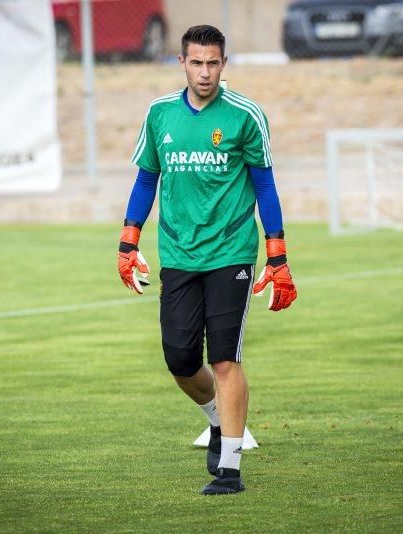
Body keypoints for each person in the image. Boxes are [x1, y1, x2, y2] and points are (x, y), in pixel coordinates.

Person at [116, 24, 297, 495]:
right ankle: (217, 420)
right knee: (179, 358)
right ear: (182, 63)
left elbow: (264, 185)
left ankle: (231, 469)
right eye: (195, 62)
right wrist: (127, 243)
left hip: (231, 251)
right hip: (177, 252)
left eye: (212, 62)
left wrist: (276, 253)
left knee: (224, 359)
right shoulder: (159, 115)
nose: (204, 72)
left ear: (223, 64)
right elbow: (144, 181)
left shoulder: (245, 116)